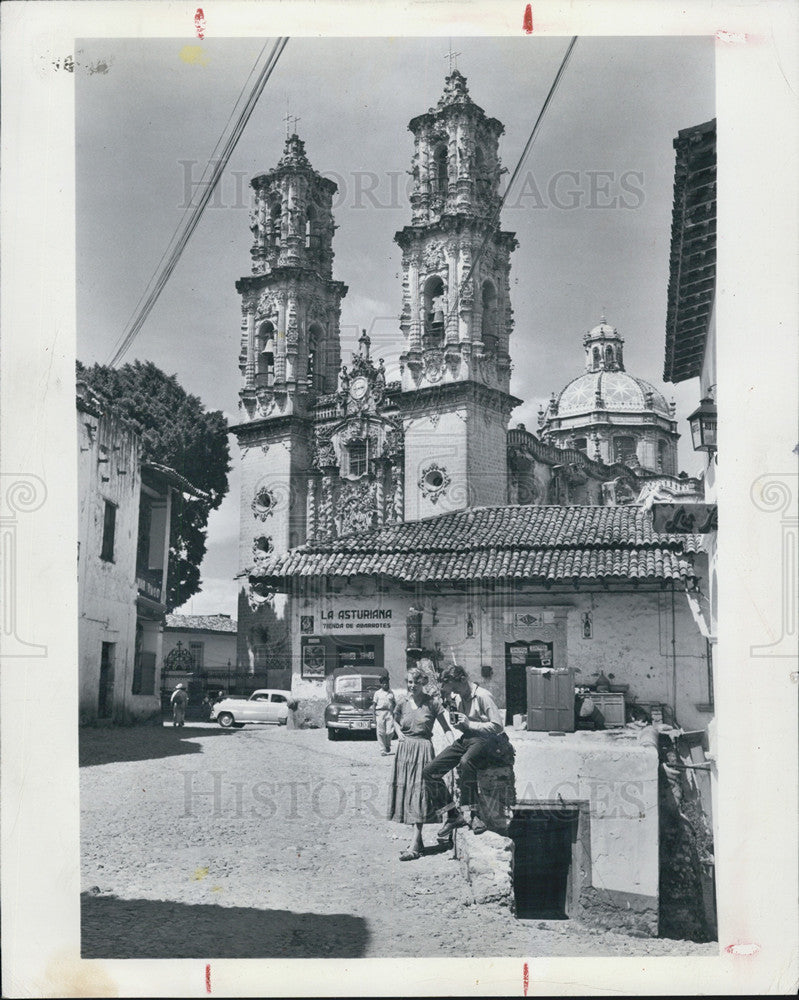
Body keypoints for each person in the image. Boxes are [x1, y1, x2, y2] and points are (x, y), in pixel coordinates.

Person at [423, 664, 504, 838]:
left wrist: (470, 724)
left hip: (486, 740)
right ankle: (453, 815)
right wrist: (459, 724)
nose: (453, 691)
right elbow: (463, 725)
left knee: (466, 762)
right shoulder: (458, 698)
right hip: (467, 738)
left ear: (462, 680)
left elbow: (497, 726)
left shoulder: (483, 696)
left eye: (453, 686)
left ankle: (474, 816)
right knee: (430, 771)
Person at [386, 667, 454, 861]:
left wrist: (454, 746)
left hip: (423, 750)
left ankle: (415, 845)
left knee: (419, 794)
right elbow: (396, 719)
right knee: (408, 793)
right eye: (409, 682)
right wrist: (399, 734)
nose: (412, 686)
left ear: (423, 683)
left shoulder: (432, 704)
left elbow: (446, 728)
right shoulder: (402, 703)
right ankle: (419, 841)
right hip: (404, 752)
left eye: (416, 682)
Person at [371, 674, 396, 755]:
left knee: (390, 731)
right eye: (383, 683)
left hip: (389, 712)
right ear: (381, 684)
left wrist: (395, 714)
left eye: (386, 683)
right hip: (380, 713)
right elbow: (374, 705)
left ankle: (387, 744)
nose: (385, 685)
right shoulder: (377, 693)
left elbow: (394, 703)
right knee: (381, 732)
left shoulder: (391, 692)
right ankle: (382, 750)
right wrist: (374, 716)